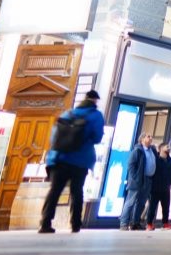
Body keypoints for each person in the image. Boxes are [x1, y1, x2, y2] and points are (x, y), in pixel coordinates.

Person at [39, 89, 105, 234]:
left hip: (59, 158)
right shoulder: (96, 116)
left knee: (54, 191)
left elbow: (54, 137)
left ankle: (45, 223)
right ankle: (75, 224)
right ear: (95, 101)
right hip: (80, 160)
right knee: (76, 191)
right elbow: (97, 138)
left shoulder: (68, 113)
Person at [121, 133, 156, 230]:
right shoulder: (137, 150)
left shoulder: (152, 151)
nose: (151, 138)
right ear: (142, 139)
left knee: (141, 202)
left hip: (148, 180)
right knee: (130, 202)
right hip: (137, 180)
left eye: (151, 137)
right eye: (148, 136)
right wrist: (136, 177)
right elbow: (131, 165)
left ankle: (135, 223)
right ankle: (124, 223)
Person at [145, 143, 171, 230]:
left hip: (166, 188)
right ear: (161, 148)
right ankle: (149, 224)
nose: (169, 148)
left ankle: (165, 223)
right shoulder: (155, 159)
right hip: (155, 188)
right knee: (152, 207)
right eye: (167, 147)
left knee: (166, 207)